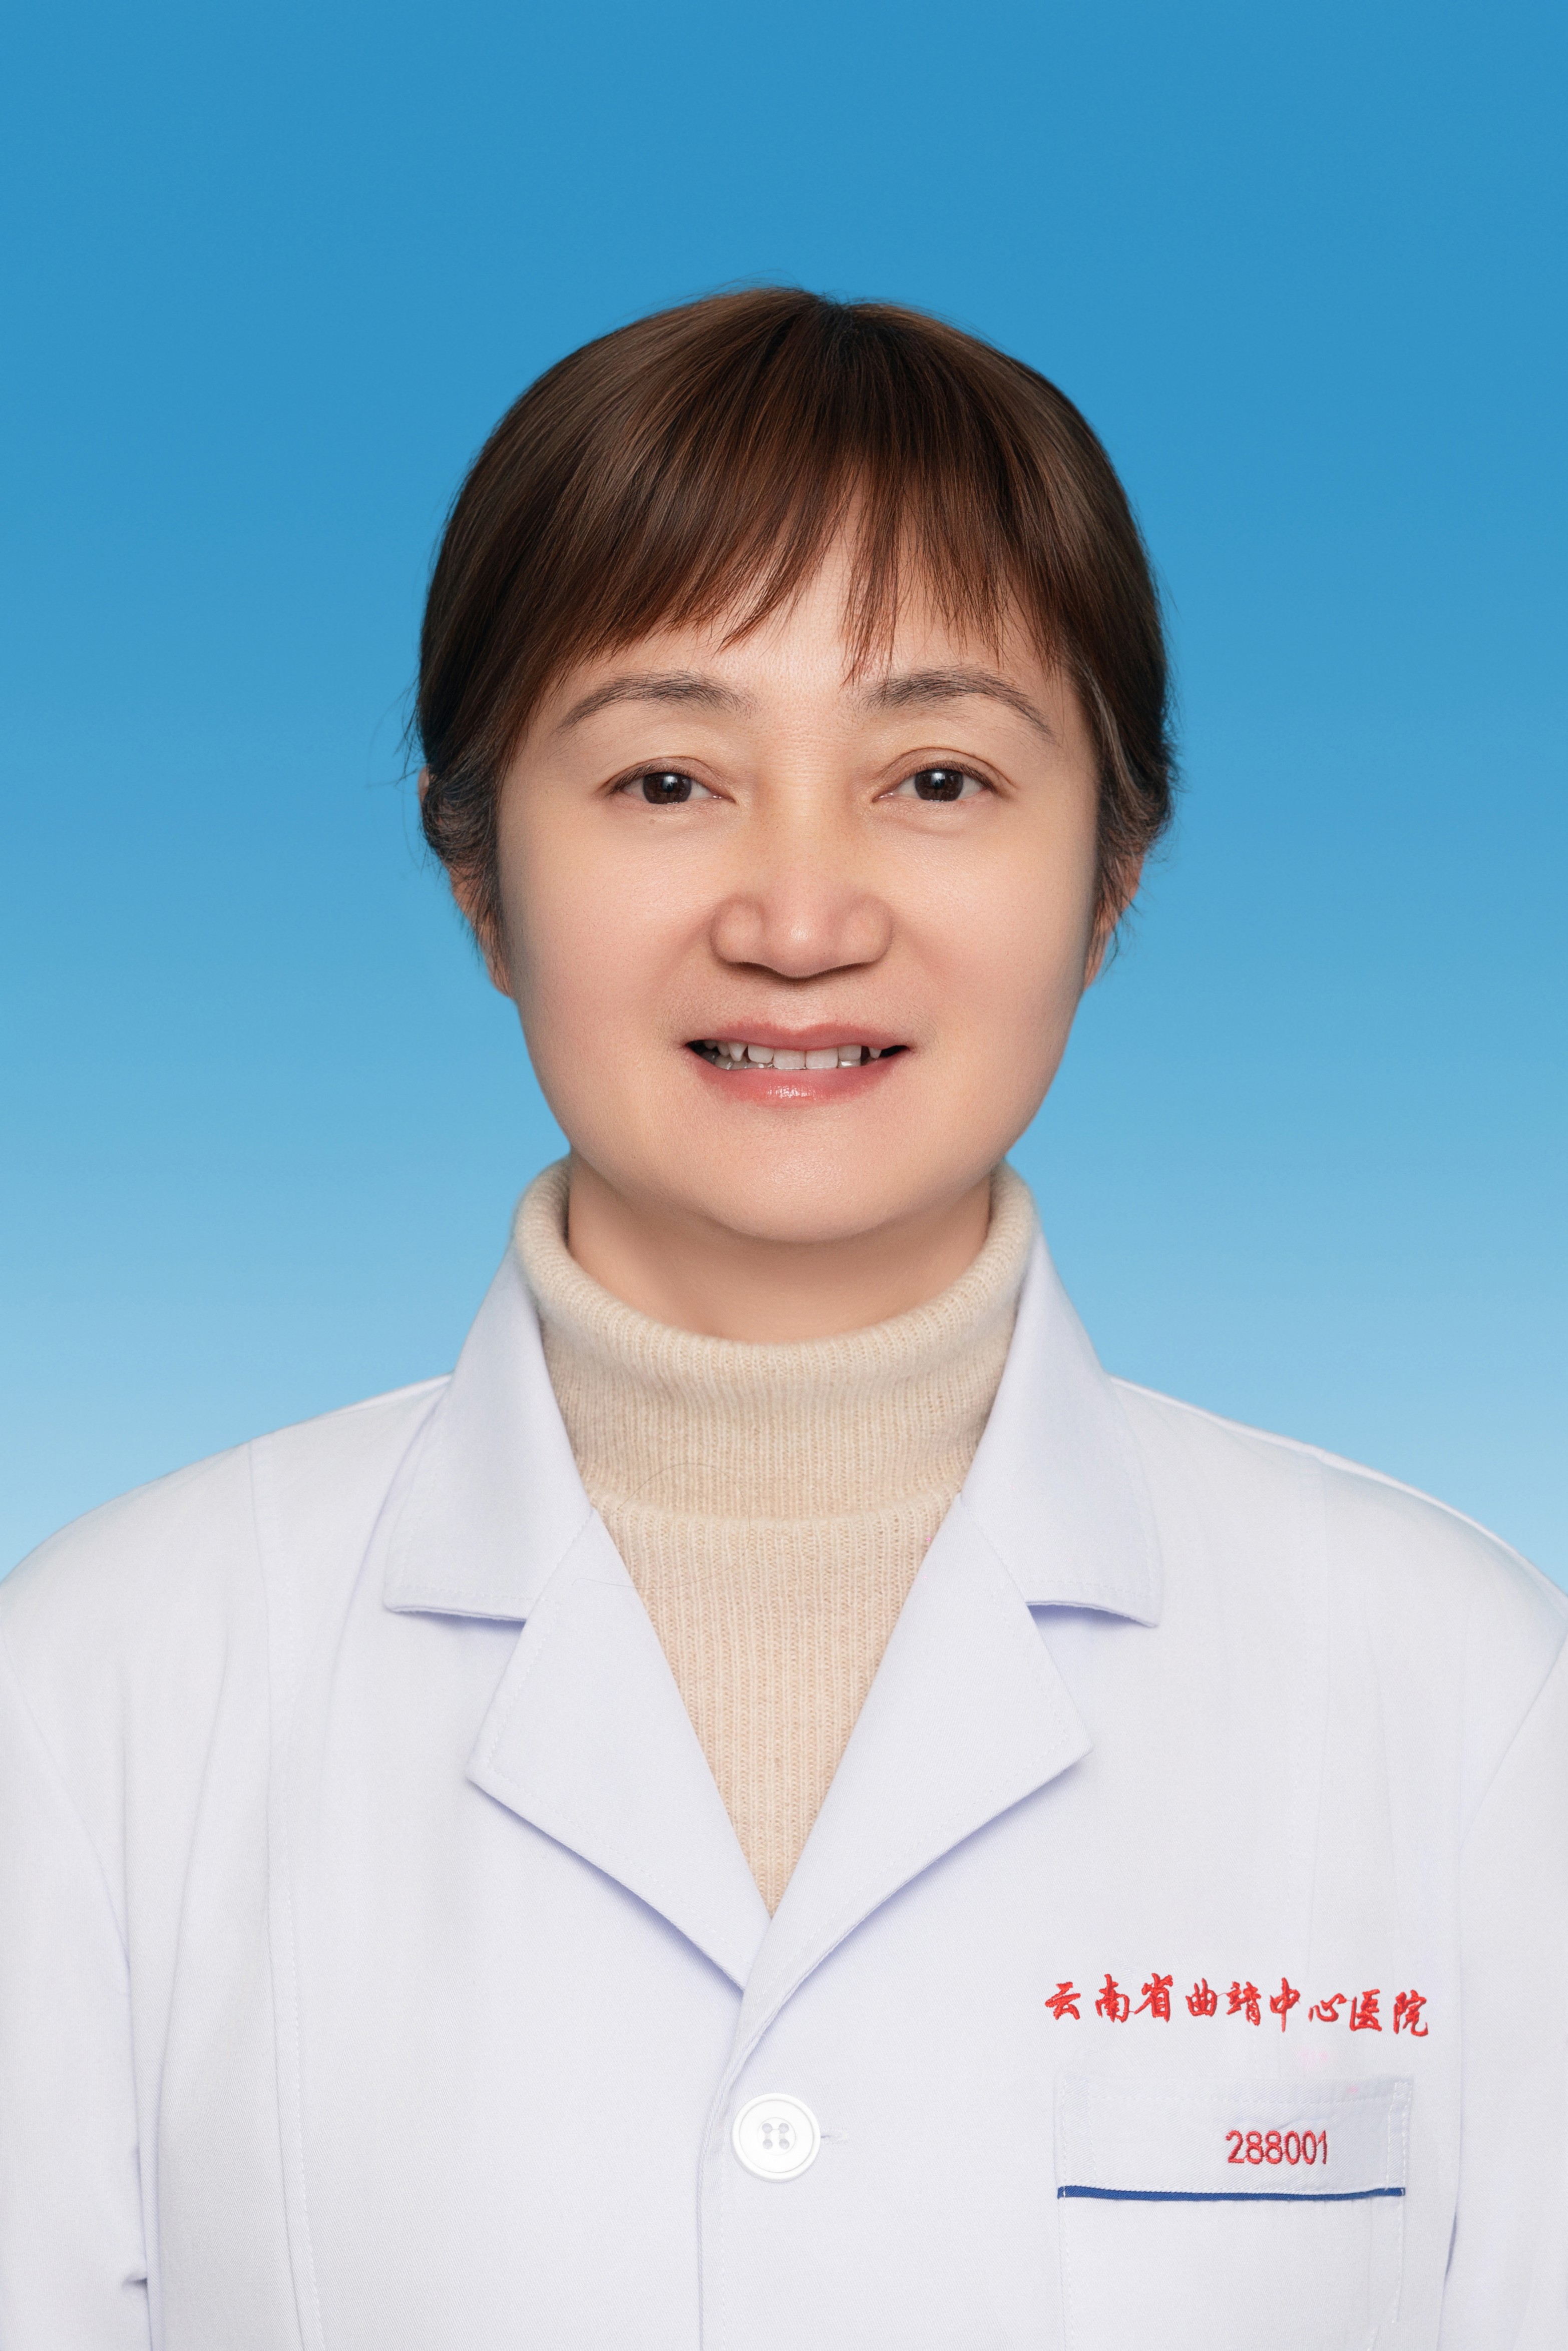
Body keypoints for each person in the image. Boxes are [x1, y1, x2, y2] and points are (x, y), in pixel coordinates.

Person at [0, 289, 1562, 2351]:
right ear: (478, 872)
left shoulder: (1462, 1690)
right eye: (667, 779)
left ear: (1111, 873)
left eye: (937, 776)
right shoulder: (101, 1688)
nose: (802, 919)